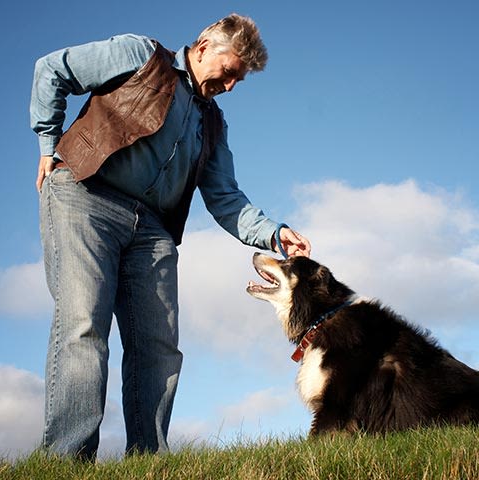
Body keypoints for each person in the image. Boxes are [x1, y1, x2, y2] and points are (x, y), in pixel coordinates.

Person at [29, 14, 311, 459]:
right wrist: (48, 143)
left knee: (158, 346)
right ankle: (67, 460)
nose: (232, 85)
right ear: (202, 47)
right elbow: (54, 68)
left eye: (241, 79)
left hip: (153, 230)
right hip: (85, 197)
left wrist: (274, 234)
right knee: (84, 326)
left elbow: (225, 198)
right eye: (230, 71)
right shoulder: (141, 55)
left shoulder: (213, 124)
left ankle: (147, 461)